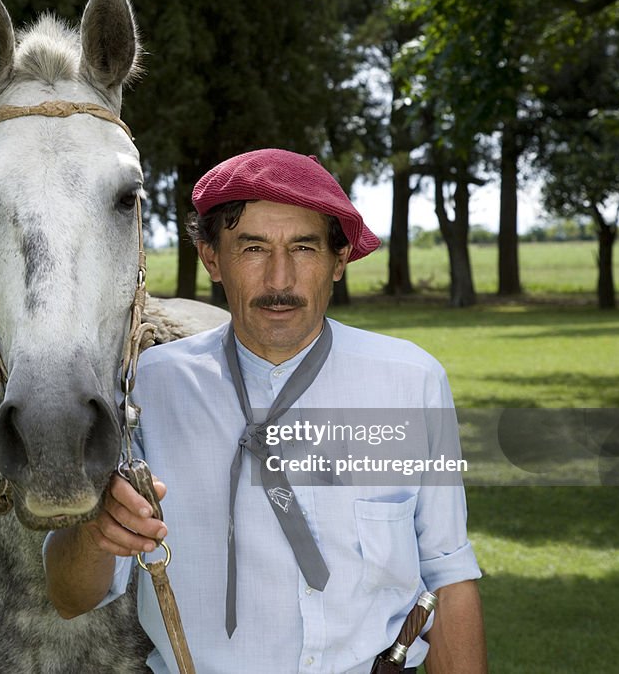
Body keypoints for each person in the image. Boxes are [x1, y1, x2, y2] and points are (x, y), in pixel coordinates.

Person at [44, 148, 487, 673]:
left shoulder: (412, 382)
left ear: (339, 260)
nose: (280, 280)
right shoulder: (145, 388)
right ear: (211, 258)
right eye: (252, 248)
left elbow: (448, 578)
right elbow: (71, 596)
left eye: (304, 247)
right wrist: (96, 533)